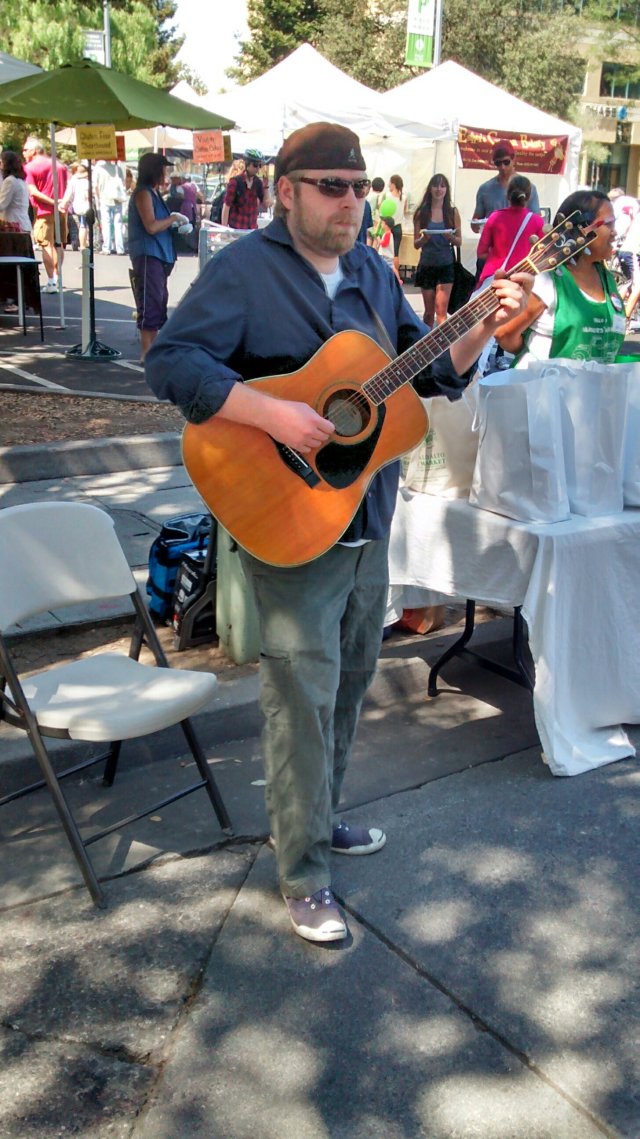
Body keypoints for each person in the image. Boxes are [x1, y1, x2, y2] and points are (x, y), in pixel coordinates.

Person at [144, 121, 530, 946]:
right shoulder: (242, 270)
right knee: (300, 698)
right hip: (286, 516)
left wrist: (480, 324)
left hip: (365, 512)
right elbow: (172, 363)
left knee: (352, 681)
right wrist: (274, 411)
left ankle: (319, 819)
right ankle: (304, 873)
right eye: (331, 186)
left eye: (358, 187)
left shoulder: (368, 268)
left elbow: (416, 369)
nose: (351, 202)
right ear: (286, 192)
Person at [495, 189, 625, 366]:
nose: (614, 232)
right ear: (583, 229)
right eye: (608, 224)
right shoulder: (547, 281)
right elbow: (504, 334)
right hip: (543, 388)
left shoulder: (607, 278)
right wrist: (536, 356)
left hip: (589, 391)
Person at [127, 152, 189, 360]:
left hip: (159, 255)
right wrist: (173, 218)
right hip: (148, 254)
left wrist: (175, 225)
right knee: (151, 301)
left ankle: (152, 349)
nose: (166, 173)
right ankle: (146, 351)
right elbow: (151, 226)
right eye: (163, 169)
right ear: (155, 171)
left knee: (159, 300)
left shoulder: (153, 194)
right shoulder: (143, 194)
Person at [471, 140, 541, 281]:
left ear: (514, 159)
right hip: (493, 257)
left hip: (518, 260)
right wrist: (480, 225)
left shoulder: (529, 187)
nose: (502, 167)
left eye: (506, 162)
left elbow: (536, 227)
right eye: (498, 163)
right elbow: (474, 223)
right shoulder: (485, 189)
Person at [476, 175, 545, 285]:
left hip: (494, 277)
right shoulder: (537, 221)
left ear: (508, 195)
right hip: (522, 279)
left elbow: (481, 253)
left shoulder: (495, 217)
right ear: (529, 196)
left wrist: (497, 255)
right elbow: (542, 255)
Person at [413, 173, 461, 326]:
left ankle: (442, 347)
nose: (439, 189)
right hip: (427, 264)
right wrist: (424, 239)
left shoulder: (452, 212)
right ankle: (426, 345)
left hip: (446, 265)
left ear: (446, 189)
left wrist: (450, 238)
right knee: (428, 313)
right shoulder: (422, 213)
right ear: (430, 189)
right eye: (435, 185)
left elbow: (459, 241)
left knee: (441, 311)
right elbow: (416, 244)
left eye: (442, 186)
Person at [22, 136, 68, 294]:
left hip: (44, 211)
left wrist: (52, 201)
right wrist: (61, 203)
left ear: (34, 151)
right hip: (62, 211)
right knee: (59, 244)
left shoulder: (29, 167)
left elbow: (33, 191)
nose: (23, 152)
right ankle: (57, 277)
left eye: (25, 150)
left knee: (46, 245)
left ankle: (51, 281)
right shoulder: (60, 166)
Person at [0, 149, 32, 314]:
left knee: (12, 268)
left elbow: (1, 205)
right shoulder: (20, 180)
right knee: (20, 268)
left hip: (14, 228)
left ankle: (16, 301)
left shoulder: (10, 181)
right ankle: (21, 300)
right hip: (22, 226)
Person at [221, 148, 271, 229]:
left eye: (260, 165)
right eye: (255, 165)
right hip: (236, 229)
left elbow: (267, 204)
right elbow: (226, 206)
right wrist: (224, 229)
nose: (258, 168)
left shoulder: (258, 183)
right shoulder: (235, 182)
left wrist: (266, 187)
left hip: (251, 230)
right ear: (247, 164)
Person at [94, 160, 127, 255]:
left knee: (106, 224)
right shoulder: (118, 168)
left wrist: (98, 197)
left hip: (104, 199)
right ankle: (120, 248)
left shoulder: (99, 169)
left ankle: (106, 248)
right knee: (118, 224)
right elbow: (122, 184)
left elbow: (95, 186)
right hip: (117, 199)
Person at [60, 160, 91, 251]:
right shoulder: (88, 181)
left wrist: (63, 204)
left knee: (82, 225)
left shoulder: (73, 180)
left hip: (77, 205)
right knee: (84, 225)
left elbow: (68, 194)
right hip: (87, 205)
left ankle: (83, 244)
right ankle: (84, 244)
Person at [385, 173, 407, 278]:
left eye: (390, 183)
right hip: (398, 227)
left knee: (385, 253)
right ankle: (396, 275)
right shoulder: (404, 197)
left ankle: (387, 274)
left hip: (388, 227)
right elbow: (405, 211)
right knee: (396, 253)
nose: (388, 185)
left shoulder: (388, 196)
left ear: (393, 184)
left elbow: (383, 211)